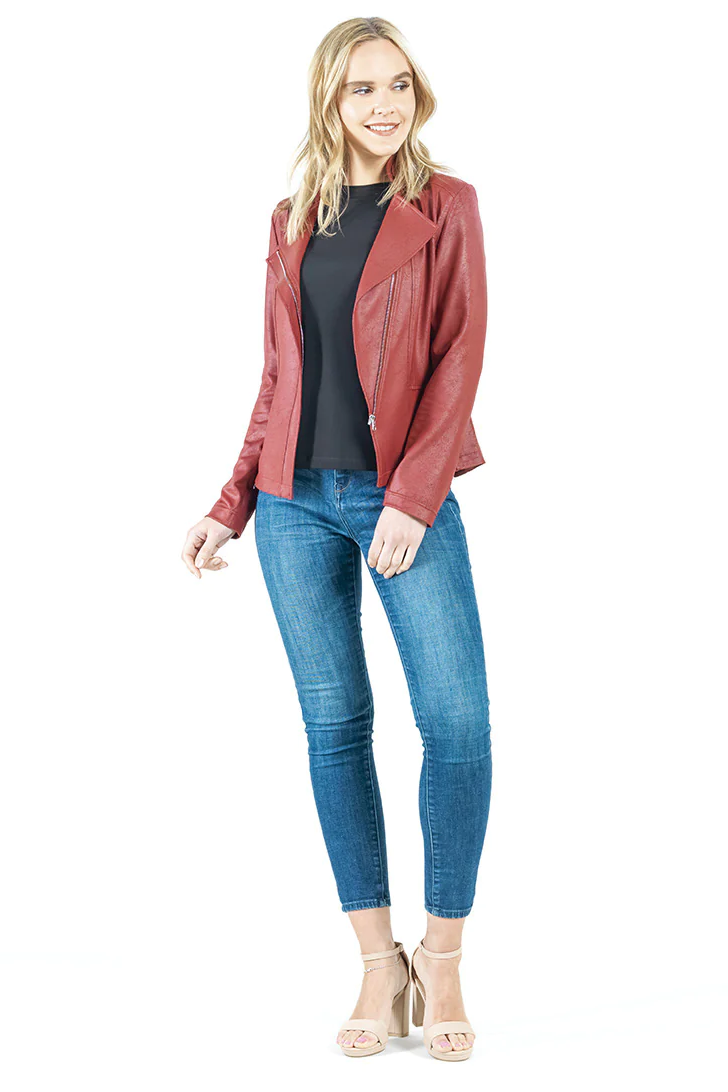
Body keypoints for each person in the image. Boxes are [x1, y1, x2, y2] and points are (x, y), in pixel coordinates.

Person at [181, 17, 492, 1063]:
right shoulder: (291, 218)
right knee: (335, 728)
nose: (383, 104)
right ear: (329, 98)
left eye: (397, 84)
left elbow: (458, 356)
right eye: (362, 88)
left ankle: (441, 959)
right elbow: (279, 376)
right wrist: (232, 501)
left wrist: (413, 497)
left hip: (400, 497)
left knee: (456, 725)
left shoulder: (446, 205)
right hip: (293, 504)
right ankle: (376, 965)